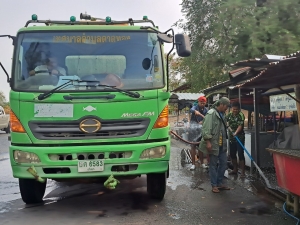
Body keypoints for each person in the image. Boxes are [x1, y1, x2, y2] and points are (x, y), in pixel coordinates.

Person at [199, 97, 231, 193]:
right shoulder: (211, 114)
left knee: (224, 163)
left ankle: (220, 182)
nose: (227, 109)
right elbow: (206, 129)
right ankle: (214, 185)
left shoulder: (223, 114)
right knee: (213, 165)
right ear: (221, 104)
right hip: (213, 144)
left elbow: (224, 126)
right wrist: (208, 142)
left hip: (222, 144)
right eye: (226, 106)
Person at [188, 96, 208, 170]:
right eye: (201, 103)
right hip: (193, 131)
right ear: (198, 102)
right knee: (193, 147)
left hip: (200, 130)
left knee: (201, 147)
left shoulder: (206, 111)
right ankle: (193, 164)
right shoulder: (194, 107)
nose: (202, 104)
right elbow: (191, 109)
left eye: (204, 103)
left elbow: (206, 119)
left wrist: (202, 122)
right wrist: (195, 111)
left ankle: (202, 163)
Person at [226, 101, 246, 178]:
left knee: (240, 154)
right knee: (232, 154)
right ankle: (235, 169)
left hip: (239, 137)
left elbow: (240, 126)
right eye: (234, 109)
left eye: (237, 109)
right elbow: (225, 122)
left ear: (239, 109)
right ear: (231, 109)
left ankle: (243, 172)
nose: (235, 111)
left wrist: (236, 133)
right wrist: (226, 124)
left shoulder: (241, 115)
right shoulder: (229, 115)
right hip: (231, 138)